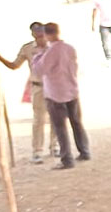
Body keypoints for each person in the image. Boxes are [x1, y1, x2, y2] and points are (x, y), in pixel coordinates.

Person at [0, 22, 56, 164]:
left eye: (41, 32)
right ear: (32, 34)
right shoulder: (28, 49)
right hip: (38, 87)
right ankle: (37, 151)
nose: (39, 35)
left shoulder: (54, 47)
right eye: (36, 32)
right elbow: (14, 65)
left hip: (55, 86)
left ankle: (55, 146)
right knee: (38, 120)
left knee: (56, 117)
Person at [34, 23, 90, 170]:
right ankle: (84, 151)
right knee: (76, 122)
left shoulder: (49, 52)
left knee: (60, 127)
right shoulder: (69, 48)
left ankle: (67, 159)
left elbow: (39, 70)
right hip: (72, 89)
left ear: (47, 35)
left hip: (55, 93)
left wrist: (39, 54)